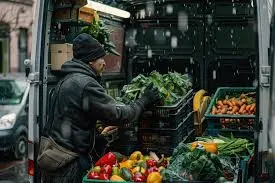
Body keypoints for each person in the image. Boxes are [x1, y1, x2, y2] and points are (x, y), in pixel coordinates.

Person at [39, 33, 160, 183]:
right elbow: (120, 115)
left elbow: (71, 120)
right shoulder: (85, 84)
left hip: (54, 158)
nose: (104, 63)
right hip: (68, 164)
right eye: (101, 58)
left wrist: (98, 137)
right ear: (90, 60)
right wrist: (144, 100)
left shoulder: (68, 79)